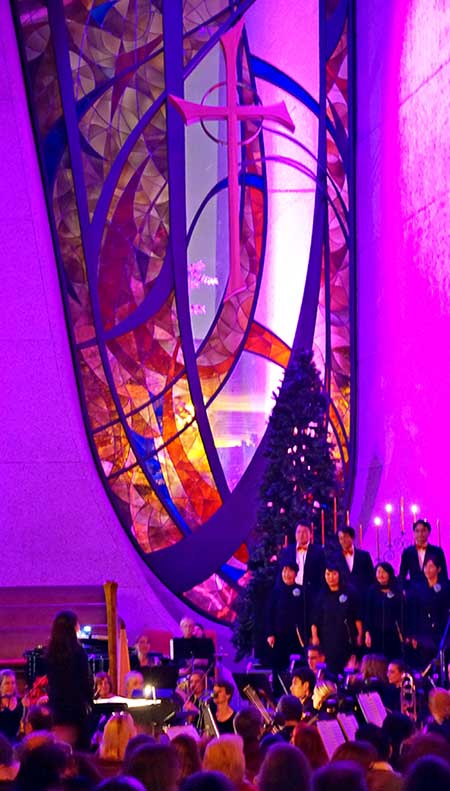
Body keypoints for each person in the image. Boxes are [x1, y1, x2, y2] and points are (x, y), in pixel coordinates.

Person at [45, 610, 93, 749]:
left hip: (56, 707)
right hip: (75, 708)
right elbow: (85, 681)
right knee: (79, 749)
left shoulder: (50, 653)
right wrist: (90, 703)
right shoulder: (78, 652)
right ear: (73, 627)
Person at [311, 563, 363, 675]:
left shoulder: (350, 592)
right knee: (330, 669)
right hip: (327, 639)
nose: (331, 577)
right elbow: (315, 619)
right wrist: (315, 636)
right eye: (328, 574)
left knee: (347, 668)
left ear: (339, 574)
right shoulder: (321, 594)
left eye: (334, 574)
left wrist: (360, 635)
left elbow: (357, 616)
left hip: (346, 638)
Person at [266, 562, 306, 694]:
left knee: (297, 668)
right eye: (284, 571)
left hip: (296, 637)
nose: (286, 574)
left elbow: (306, 613)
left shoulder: (301, 590)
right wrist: (270, 634)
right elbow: (269, 614)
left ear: (295, 573)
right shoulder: (275, 592)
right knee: (278, 667)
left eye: (289, 571)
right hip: (279, 637)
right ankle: (278, 696)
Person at [406, 555, 450, 667]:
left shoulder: (446, 587)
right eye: (425, 566)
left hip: (442, 631)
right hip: (423, 633)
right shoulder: (417, 588)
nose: (427, 569)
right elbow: (412, 613)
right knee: (425, 665)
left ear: (438, 569)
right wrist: (413, 635)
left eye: (431, 566)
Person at [364, 563, 405, 659]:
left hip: (392, 634)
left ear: (389, 573)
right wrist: (367, 633)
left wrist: (403, 633)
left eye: (383, 572)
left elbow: (402, 615)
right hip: (375, 634)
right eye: (378, 572)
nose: (380, 575)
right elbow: (368, 614)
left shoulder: (397, 591)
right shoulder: (371, 591)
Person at [399, 519, 448, 586]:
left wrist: (443, 589)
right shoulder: (407, 552)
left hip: (433, 590)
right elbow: (402, 574)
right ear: (414, 533)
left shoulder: (437, 551)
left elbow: (443, 573)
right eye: (417, 531)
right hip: (414, 591)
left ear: (428, 532)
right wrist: (403, 590)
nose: (420, 534)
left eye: (423, 531)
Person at [281, 524, 325, 596]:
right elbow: (282, 571)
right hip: (291, 592)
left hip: (312, 593)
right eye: (298, 532)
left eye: (304, 532)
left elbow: (322, 573)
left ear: (310, 535)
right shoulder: (288, 550)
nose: (301, 535)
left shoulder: (319, 551)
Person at [338, 526, 375, 595]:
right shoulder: (335, 557)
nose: (343, 541)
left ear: (352, 538)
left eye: (345, 537)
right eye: (340, 538)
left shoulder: (364, 555)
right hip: (343, 597)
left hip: (363, 595)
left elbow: (371, 577)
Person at [0, 670, 23, 742]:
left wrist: (38, 703)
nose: (11, 686)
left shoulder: (21, 702)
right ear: (0, 686)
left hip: (18, 742)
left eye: (13, 683)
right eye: (7, 683)